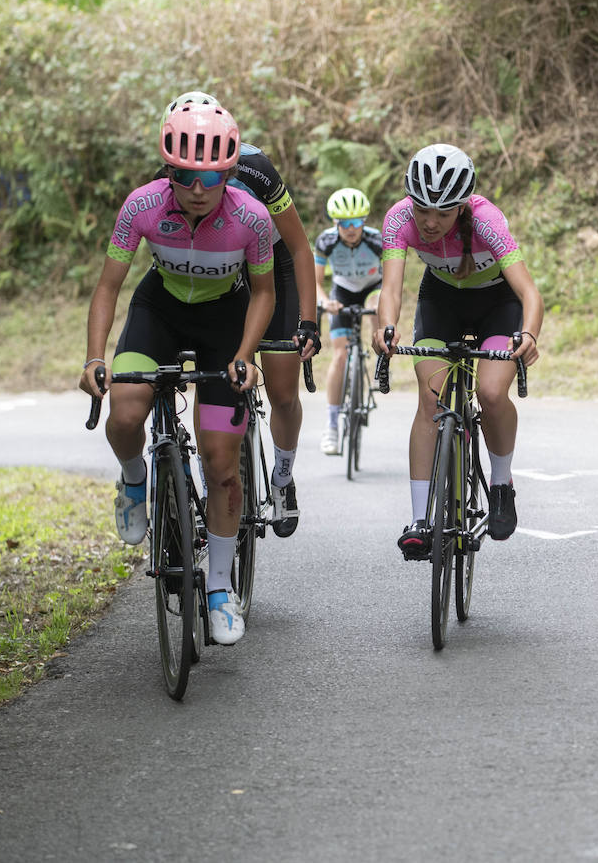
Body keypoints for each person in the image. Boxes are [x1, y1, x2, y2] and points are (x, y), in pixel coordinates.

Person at [79, 102, 277, 645]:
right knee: (123, 415)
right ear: (169, 171)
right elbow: (108, 288)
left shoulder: (250, 218)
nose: (196, 187)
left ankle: (218, 591)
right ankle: (135, 480)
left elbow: (263, 292)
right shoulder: (142, 206)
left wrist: (244, 354)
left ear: (229, 173)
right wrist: (96, 357)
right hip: (158, 312)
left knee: (222, 465)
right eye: (184, 175)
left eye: (210, 177)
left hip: (223, 322)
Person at [161, 92, 321, 539]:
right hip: (223, 271)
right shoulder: (169, 173)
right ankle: (210, 470)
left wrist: (307, 321)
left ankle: (283, 479)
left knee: (284, 390)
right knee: (213, 372)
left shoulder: (256, 169)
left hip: (272, 263)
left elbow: (300, 247)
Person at [373, 144, 544, 557]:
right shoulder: (398, 219)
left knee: (489, 392)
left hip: (498, 305)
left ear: (462, 208)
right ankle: (419, 519)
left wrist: (530, 335)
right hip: (441, 301)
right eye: (422, 211)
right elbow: (392, 288)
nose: (429, 223)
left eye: (442, 213)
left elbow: (528, 292)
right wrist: (386, 328)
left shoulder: (487, 221)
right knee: (430, 398)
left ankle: (501, 484)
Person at [314, 187, 384, 454]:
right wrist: (325, 303)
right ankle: (331, 426)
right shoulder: (326, 241)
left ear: (364, 221)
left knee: (375, 307)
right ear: (336, 223)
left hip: (373, 288)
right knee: (340, 356)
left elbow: (391, 278)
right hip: (342, 291)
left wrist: (381, 299)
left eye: (356, 222)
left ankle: (381, 360)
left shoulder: (377, 241)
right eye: (345, 223)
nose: (351, 228)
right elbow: (317, 283)